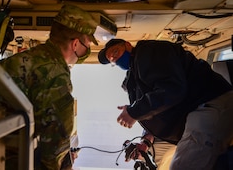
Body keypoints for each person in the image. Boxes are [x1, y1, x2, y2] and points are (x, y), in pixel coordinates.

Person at [0, 4, 98, 170]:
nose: (87, 50)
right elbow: (56, 138)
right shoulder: (54, 73)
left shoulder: (30, 57)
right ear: (75, 44)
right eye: (87, 45)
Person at [98, 38, 233, 170]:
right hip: (200, 108)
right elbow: (159, 106)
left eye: (115, 52)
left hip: (210, 102)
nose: (115, 58)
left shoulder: (148, 52)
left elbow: (171, 89)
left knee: (183, 166)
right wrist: (146, 140)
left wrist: (134, 112)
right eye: (111, 59)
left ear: (127, 44)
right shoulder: (137, 70)